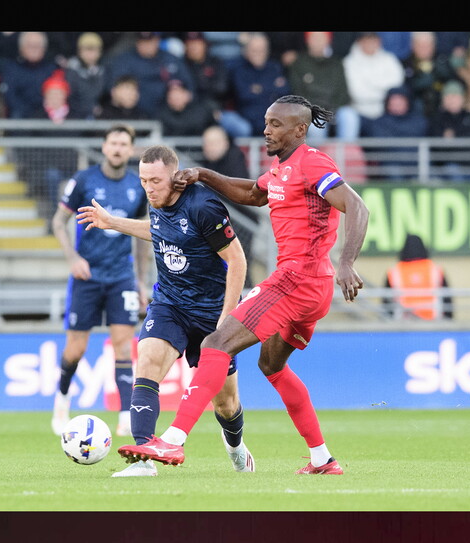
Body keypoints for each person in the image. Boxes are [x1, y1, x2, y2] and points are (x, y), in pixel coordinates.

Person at [118, 95, 370, 475]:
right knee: (272, 366)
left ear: (300, 129)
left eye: (276, 124)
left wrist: (347, 260)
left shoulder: (313, 163)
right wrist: (204, 174)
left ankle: (172, 441)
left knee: (215, 343)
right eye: (266, 122)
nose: (266, 130)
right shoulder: (282, 168)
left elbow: (357, 206)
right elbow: (253, 194)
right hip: (310, 287)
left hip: (296, 279)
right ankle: (322, 458)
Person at [75, 145, 254, 477]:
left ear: (175, 176)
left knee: (226, 404)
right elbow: (156, 230)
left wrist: (227, 317)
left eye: (155, 180)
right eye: (143, 180)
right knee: (147, 361)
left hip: (212, 313)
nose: (148, 187)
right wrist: (112, 222)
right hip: (170, 303)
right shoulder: (154, 199)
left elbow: (237, 261)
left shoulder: (203, 206)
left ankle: (236, 448)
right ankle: (144, 459)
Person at [50, 124, 150, 438]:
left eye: (124, 144)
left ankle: (124, 416)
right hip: (87, 277)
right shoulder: (84, 180)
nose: (118, 148)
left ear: (131, 150)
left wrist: (141, 280)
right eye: (113, 142)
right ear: (104, 147)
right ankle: (62, 400)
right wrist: (72, 258)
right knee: (75, 348)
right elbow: (58, 222)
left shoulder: (137, 187)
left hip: (121, 277)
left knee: (123, 347)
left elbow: (143, 236)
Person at [199, 126, 261, 289]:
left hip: (241, 221)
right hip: (219, 223)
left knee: (241, 267)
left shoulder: (234, 157)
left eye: (214, 143)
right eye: (207, 143)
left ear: (225, 143)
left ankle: (245, 306)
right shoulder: (205, 163)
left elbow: (234, 191)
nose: (209, 147)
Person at [287, 31, 360, 143]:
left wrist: (330, 108)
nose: (318, 41)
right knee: (316, 127)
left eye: (321, 38)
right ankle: (319, 159)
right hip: (311, 110)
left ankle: (345, 157)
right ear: (308, 40)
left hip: (335, 109)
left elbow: (343, 92)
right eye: (314, 38)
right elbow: (297, 92)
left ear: (328, 40)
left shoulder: (336, 63)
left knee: (350, 116)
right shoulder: (298, 63)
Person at [105, 32, 195, 118]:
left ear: (158, 40)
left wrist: (182, 94)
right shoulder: (124, 61)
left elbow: (190, 87)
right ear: (137, 42)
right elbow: (113, 87)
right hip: (135, 114)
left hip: (169, 115)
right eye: (143, 41)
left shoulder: (171, 59)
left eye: (150, 40)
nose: (147, 45)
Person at [220, 33, 291, 138]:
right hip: (249, 118)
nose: (258, 54)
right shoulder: (239, 69)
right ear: (246, 51)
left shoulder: (274, 67)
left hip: (274, 118)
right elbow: (244, 95)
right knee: (243, 128)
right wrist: (271, 88)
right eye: (254, 50)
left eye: (262, 50)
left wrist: (260, 89)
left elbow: (285, 92)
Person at [426, 79, 470, 181]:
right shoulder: (438, 119)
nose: (452, 100)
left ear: (462, 99)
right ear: (443, 99)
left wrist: (454, 137)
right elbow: (437, 146)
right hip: (451, 164)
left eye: (455, 97)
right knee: (453, 173)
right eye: (448, 97)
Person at [343, 32, 405, 137]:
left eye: (373, 40)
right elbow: (357, 93)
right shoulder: (349, 62)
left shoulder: (390, 60)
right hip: (359, 112)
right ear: (360, 42)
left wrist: (370, 85)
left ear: (379, 41)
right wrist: (382, 88)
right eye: (367, 40)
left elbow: (397, 86)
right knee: (348, 118)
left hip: (386, 111)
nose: (371, 43)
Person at [382, 234, 453, 320]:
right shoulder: (435, 270)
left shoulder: (394, 272)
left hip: (403, 326)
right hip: (433, 325)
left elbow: (386, 302)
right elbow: (447, 300)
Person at [368, 85, 429, 181]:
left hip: (415, 165)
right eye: (393, 99)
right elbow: (381, 145)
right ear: (387, 102)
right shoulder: (378, 123)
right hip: (391, 165)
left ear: (407, 102)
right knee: (394, 172)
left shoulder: (419, 121)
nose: (396, 103)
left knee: (432, 175)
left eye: (400, 99)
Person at [0, 32, 61, 119]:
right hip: (21, 113)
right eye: (30, 46)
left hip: (46, 113)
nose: (34, 49)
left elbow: (57, 96)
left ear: (44, 49)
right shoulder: (11, 68)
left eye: (37, 46)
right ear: (21, 48)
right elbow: (10, 96)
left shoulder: (52, 68)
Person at [402, 31, 459, 122]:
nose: (424, 49)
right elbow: (402, 90)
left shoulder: (441, 60)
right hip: (414, 109)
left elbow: (457, 83)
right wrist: (417, 85)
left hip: (440, 107)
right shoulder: (406, 63)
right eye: (421, 45)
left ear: (433, 46)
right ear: (413, 46)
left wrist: (445, 76)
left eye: (428, 45)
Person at [180, 31, 231, 112]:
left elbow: (221, 89)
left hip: (216, 108)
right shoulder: (181, 64)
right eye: (190, 44)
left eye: (197, 44)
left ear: (204, 45)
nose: (193, 47)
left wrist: (201, 86)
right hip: (189, 111)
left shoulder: (215, 62)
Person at [154, 79, 219, 136]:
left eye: (179, 94)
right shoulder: (162, 114)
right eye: (172, 95)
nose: (175, 97)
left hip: (200, 148)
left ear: (188, 95)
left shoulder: (202, 110)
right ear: (168, 99)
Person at [64, 32, 107, 120]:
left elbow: (105, 95)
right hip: (75, 117)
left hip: (97, 117)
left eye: (94, 50)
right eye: (87, 49)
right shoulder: (71, 71)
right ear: (80, 51)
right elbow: (70, 98)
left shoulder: (103, 71)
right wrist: (90, 108)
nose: (90, 54)